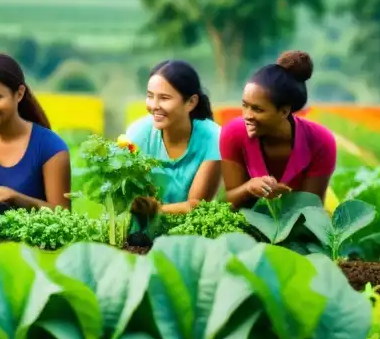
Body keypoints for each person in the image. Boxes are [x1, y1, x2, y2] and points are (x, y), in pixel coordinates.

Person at [0, 53, 71, 214]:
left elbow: (63, 213)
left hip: (33, 239)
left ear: (19, 93)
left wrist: (16, 198)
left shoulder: (51, 148)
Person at [220, 50, 337, 208]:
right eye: (244, 105)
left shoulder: (320, 141)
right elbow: (228, 202)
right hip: (253, 218)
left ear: (284, 111)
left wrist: (288, 196)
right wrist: (248, 188)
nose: (247, 115)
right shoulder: (233, 133)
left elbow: (313, 212)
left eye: (257, 109)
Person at [124, 60, 222, 216]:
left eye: (164, 98)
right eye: (150, 96)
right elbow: (127, 199)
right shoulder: (137, 134)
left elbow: (196, 206)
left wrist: (155, 210)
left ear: (191, 102)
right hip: (142, 231)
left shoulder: (213, 138)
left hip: (192, 233)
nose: (154, 105)